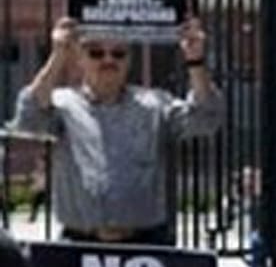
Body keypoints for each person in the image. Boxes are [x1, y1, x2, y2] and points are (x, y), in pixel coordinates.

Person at [10, 16, 224, 245]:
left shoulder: (154, 105)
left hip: (146, 242)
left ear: (129, 61)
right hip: (78, 243)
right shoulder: (64, 104)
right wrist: (58, 55)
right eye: (96, 53)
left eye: (118, 53)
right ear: (80, 59)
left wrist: (195, 61)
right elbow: (27, 118)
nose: (108, 59)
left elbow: (206, 118)